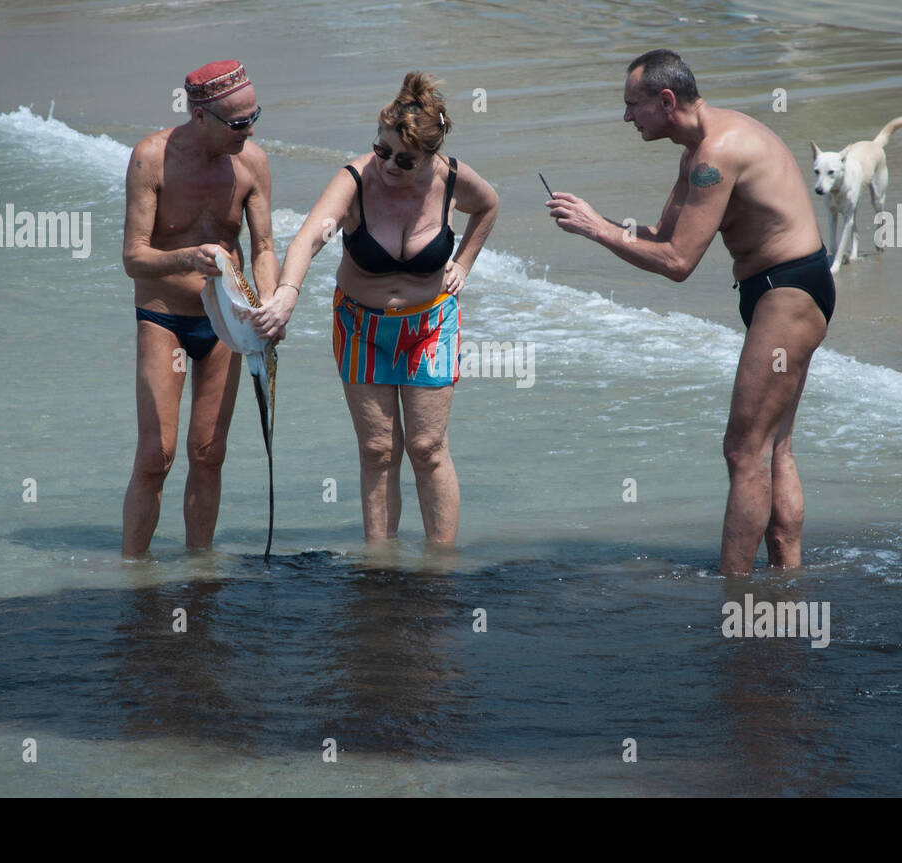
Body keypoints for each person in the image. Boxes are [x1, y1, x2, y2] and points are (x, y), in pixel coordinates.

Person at [547, 49, 834, 574]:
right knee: (775, 448)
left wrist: (598, 230)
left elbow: (678, 262)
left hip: (788, 291)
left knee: (743, 451)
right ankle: (786, 579)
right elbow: (662, 238)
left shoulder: (716, 154)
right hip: (785, 286)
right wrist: (593, 219)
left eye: (633, 105)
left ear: (665, 100)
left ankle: (735, 591)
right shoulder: (698, 150)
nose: (627, 117)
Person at [253, 72, 498, 545]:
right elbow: (308, 238)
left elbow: (489, 207)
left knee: (427, 448)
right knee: (378, 449)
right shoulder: (356, 180)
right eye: (381, 150)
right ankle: (380, 566)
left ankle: (439, 568)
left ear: (431, 155)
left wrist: (464, 262)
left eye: (403, 160)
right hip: (360, 326)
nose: (387, 165)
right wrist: (287, 294)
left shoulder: (452, 181)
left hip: (429, 325)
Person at [120, 60, 277, 555]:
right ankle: (133, 573)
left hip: (226, 323)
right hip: (164, 315)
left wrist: (269, 305)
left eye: (254, 118)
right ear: (199, 115)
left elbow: (264, 247)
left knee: (208, 453)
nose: (247, 131)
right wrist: (187, 257)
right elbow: (133, 258)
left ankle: (199, 573)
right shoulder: (152, 157)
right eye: (236, 123)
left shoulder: (252, 162)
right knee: (156, 455)